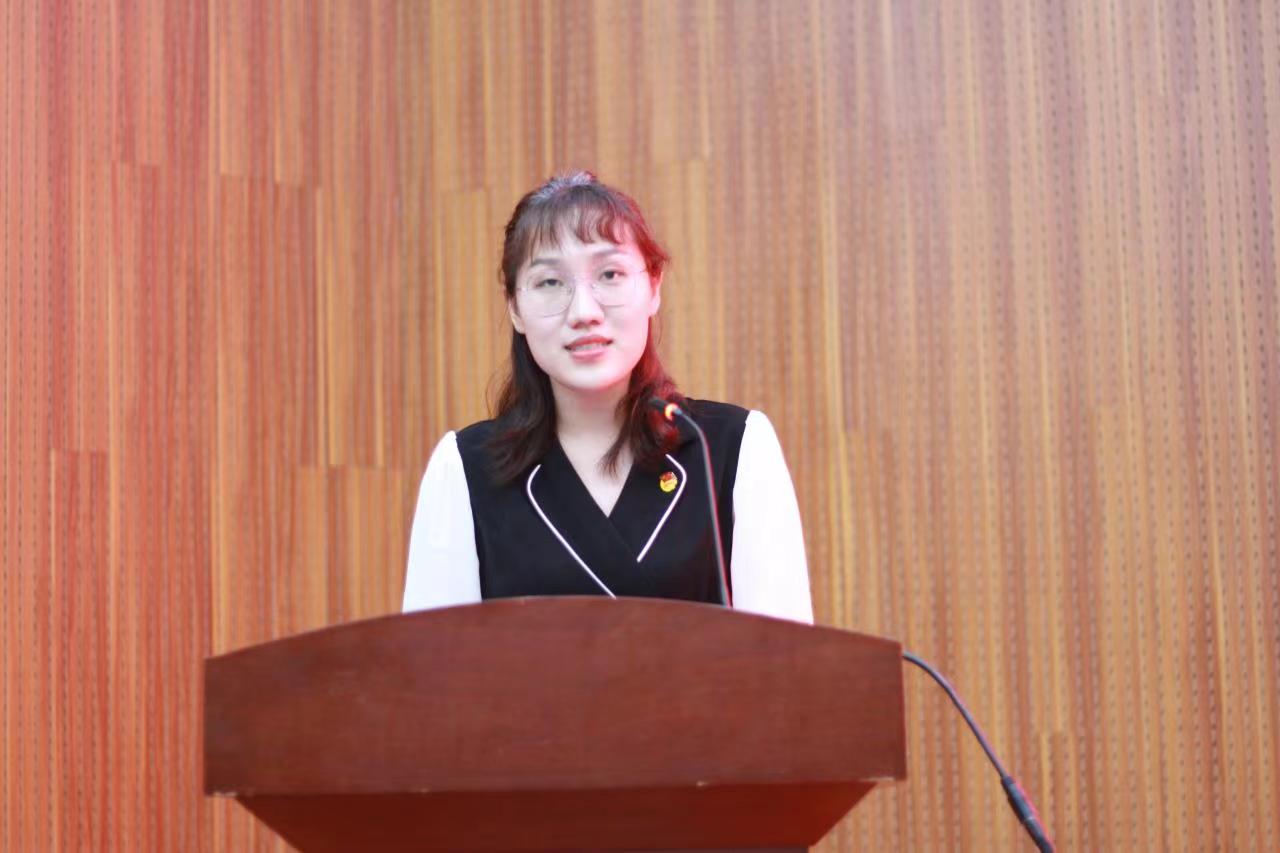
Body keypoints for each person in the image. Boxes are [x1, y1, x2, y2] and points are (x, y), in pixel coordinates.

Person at [401, 171, 813, 623]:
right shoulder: (466, 468)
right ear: (514, 308)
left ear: (653, 287)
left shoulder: (733, 448)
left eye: (610, 274)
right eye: (550, 283)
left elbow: (785, 657)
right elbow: (435, 663)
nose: (584, 312)